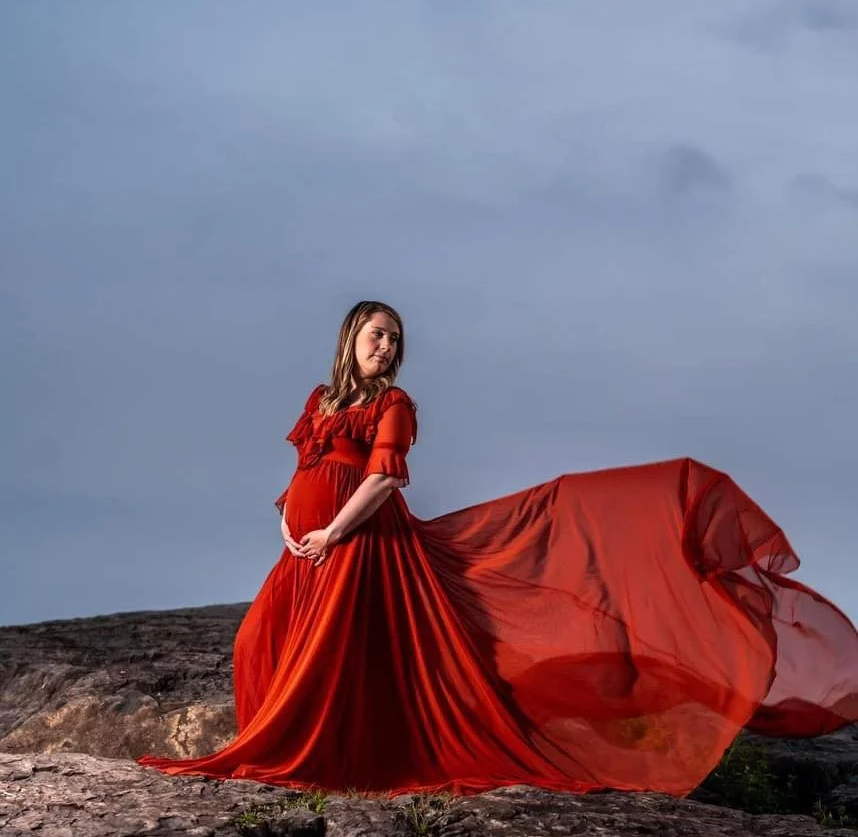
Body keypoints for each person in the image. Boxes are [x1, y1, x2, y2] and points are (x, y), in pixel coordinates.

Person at [138, 300, 858, 798]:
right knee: (256, 642)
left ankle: (315, 760)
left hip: (360, 546)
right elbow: (301, 475)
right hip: (307, 547)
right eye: (377, 333)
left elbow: (385, 477)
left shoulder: (395, 405)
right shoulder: (321, 403)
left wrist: (333, 531)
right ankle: (280, 746)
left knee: (330, 658)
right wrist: (289, 528)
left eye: (395, 337)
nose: (386, 345)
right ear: (349, 337)